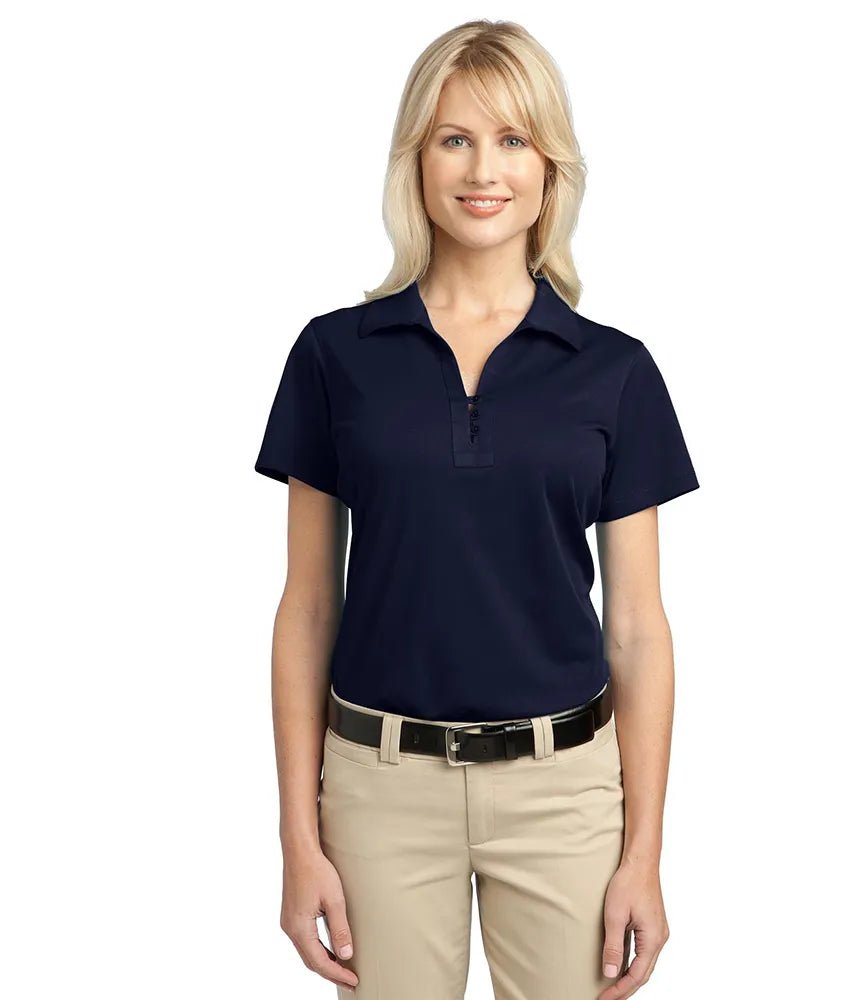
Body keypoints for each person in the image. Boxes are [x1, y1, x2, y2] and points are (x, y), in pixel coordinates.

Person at [254, 19, 700, 1000]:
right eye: (454, 139)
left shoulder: (614, 371)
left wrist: (645, 854)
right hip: (377, 789)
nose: (483, 170)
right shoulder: (335, 356)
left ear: (550, 166)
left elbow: (636, 627)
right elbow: (308, 608)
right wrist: (296, 838)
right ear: (416, 160)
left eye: (512, 139)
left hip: (564, 791)